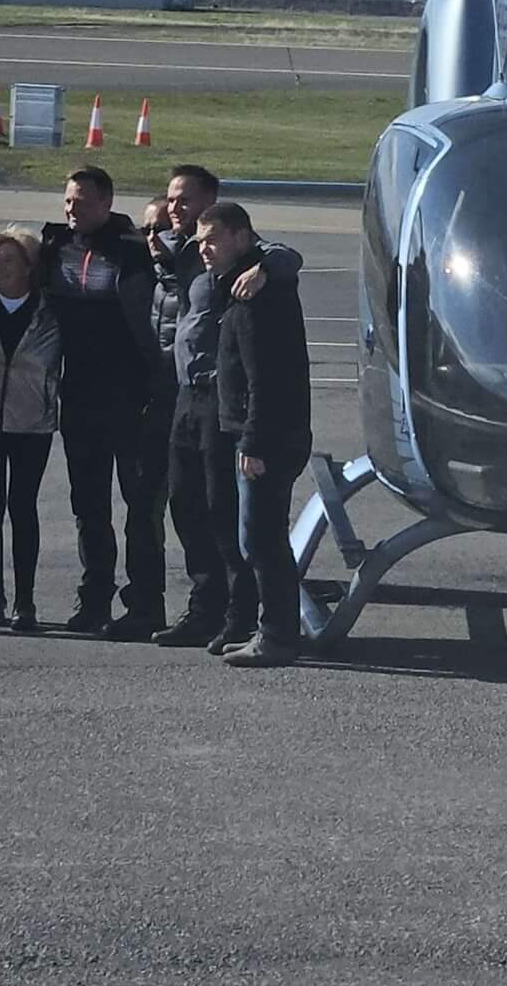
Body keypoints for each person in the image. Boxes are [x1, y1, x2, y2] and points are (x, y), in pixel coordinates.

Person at [148, 164, 304, 651]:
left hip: (224, 403)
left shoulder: (254, 273)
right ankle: (206, 609)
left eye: (186, 201)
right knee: (186, 506)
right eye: (172, 201)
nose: (176, 209)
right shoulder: (183, 253)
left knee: (230, 517)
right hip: (185, 398)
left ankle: (245, 619)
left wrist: (268, 266)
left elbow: (285, 255)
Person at [38, 165, 169, 640]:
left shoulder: (137, 250)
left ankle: (145, 603)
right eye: (69, 201)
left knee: (141, 505)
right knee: (88, 506)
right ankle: (94, 598)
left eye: (84, 203)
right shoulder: (53, 248)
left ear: (107, 204)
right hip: (79, 398)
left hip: (132, 399)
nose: (73, 210)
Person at [203, 202, 313, 666]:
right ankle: (274, 629)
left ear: (242, 237)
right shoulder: (241, 284)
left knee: (262, 540)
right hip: (260, 433)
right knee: (259, 538)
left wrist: (253, 442)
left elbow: (264, 377)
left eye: (213, 238)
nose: (204, 248)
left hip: (268, 438)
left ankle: (277, 636)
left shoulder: (256, 295)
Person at [0, 227, 62, 631]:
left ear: (29, 266)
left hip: (31, 421)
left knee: (23, 507)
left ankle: (26, 601)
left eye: (10, 260)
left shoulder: (50, 310)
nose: (0, 267)